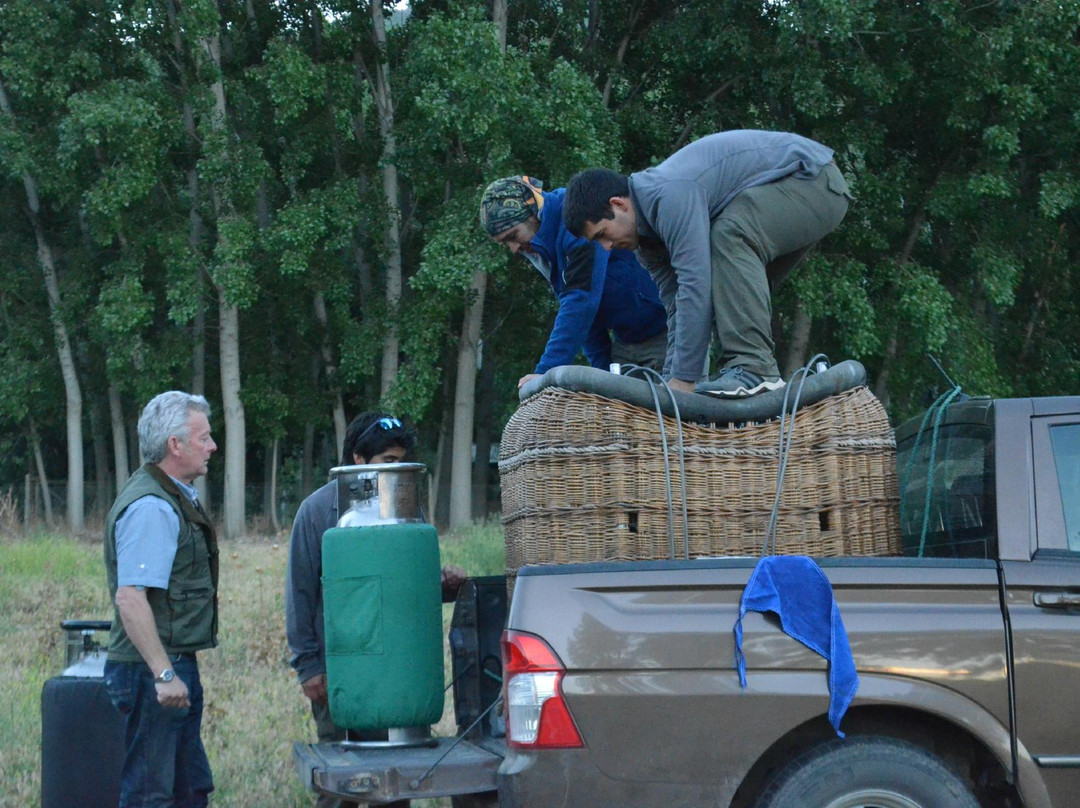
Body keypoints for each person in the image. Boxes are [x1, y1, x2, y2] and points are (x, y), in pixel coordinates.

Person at [563, 130, 852, 397]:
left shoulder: (669, 196)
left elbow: (695, 285)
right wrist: (676, 387)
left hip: (814, 180)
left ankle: (755, 368)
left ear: (619, 204)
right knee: (722, 284)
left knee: (728, 236)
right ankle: (741, 370)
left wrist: (684, 379)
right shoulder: (647, 243)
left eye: (602, 234)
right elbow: (678, 305)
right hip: (795, 190)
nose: (607, 247)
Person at [285, 412, 467, 808]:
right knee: (343, 784)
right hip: (342, 671)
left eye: (401, 458)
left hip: (394, 670)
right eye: (389, 460)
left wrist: (442, 585)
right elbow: (298, 595)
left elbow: (401, 587)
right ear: (358, 460)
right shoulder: (317, 513)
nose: (397, 467)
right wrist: (309, 666)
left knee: (394, 782)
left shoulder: (404, 509)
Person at [102, 391, 219, 808]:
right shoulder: (152, 506)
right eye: (203, 438)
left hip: (165, 664)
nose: (212, 446)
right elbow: (131, 598)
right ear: (176, 445)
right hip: (151, 672)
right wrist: (164, 675)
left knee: (190, 789)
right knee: (151, 795)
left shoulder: (171, 496)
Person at [479, 175, 669, 388]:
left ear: (534, 213)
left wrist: (546, 372)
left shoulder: (574, 218)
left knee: (675, 417)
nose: (513, 248)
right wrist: (604, 377)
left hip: (666, 331)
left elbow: (581, 300)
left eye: (513, 235)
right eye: (504, 243)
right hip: (624, 343)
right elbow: (587, 317)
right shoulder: (541, 249)